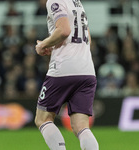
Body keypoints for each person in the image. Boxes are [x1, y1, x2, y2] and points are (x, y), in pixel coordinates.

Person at [34, 0, 99, 150]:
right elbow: (88, 38)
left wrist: (43, 44)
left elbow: (64, 30)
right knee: (81, 126)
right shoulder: (77, 2)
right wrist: (54, 44)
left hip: (64, 69)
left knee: (43, 118)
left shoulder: (54, 1)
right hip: (87, 70)